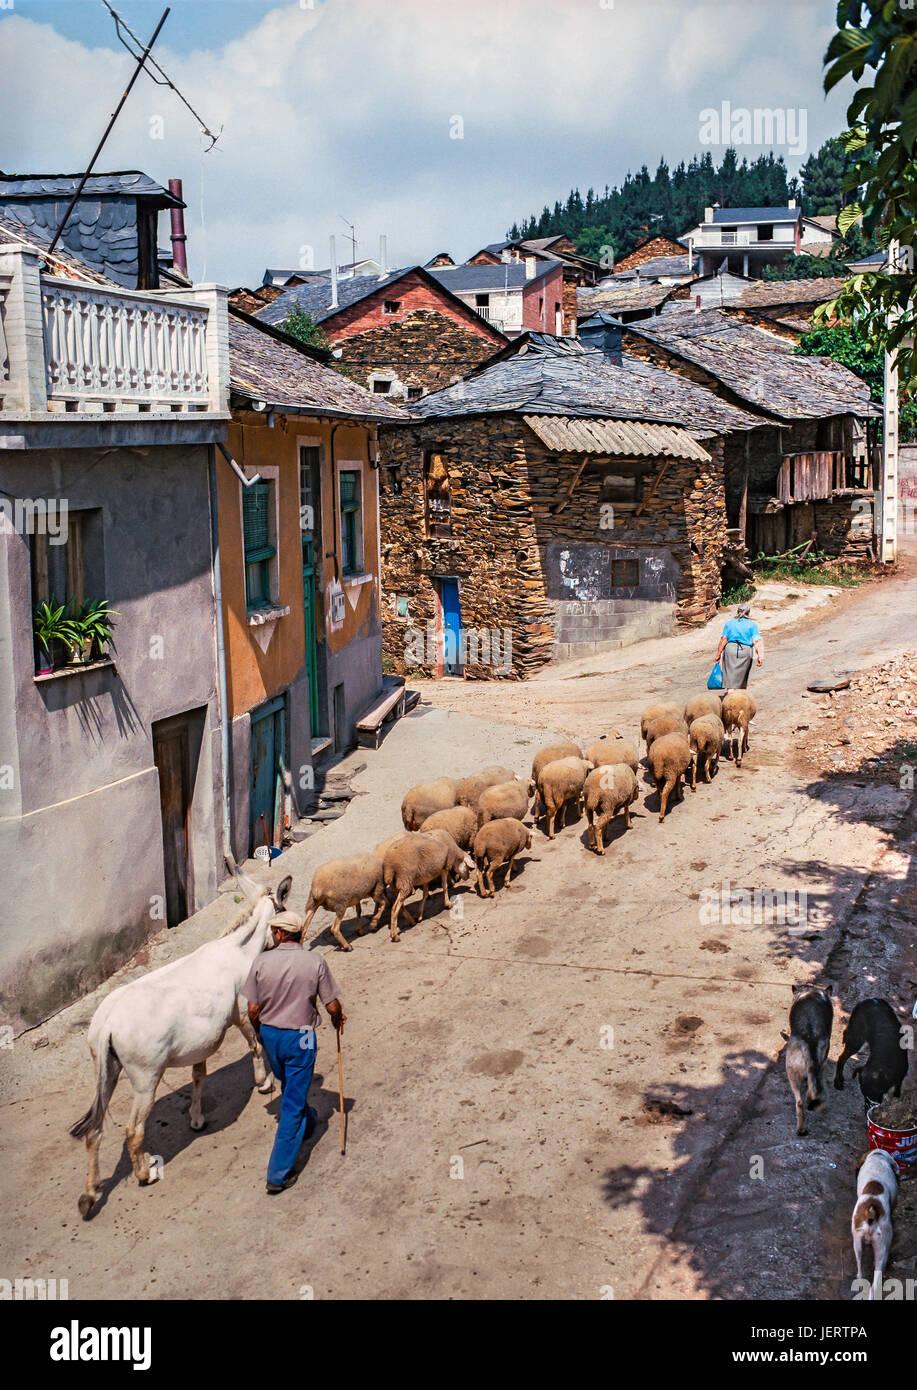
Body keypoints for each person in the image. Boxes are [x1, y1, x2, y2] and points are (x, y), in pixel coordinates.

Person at [244, 910, 346, 1194]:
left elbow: (252, 1009)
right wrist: (338, 1020)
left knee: (290, 1086)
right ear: (298, 934)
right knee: (291, 1102)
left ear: (278, 934)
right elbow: (332, 1005)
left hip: (271, 1034)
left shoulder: (261, 962)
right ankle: (277, 1175)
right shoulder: (315, 962)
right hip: (301, 1037)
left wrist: (261, 1032)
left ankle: (308, 1121)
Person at [715, 602, 763, 690]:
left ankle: (730, 696)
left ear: (737, 612)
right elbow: (756, 642)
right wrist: (760, 656)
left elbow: (723, 639)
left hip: (730, 650)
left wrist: (718, 654)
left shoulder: (729, 624)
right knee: (742, 677)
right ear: (748, 612)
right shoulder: (752, 625)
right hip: (746, 651)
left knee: (730, 679)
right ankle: (741, 699)